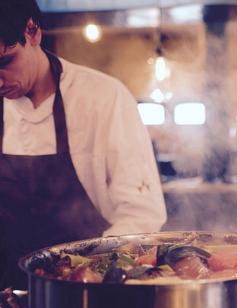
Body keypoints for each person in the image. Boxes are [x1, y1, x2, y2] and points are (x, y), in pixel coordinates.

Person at [0, 0, 167, 288]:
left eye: (4, 62)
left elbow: (141, 215)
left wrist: (93, 274)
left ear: (32, 31)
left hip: (87, 295)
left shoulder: (103, 98)